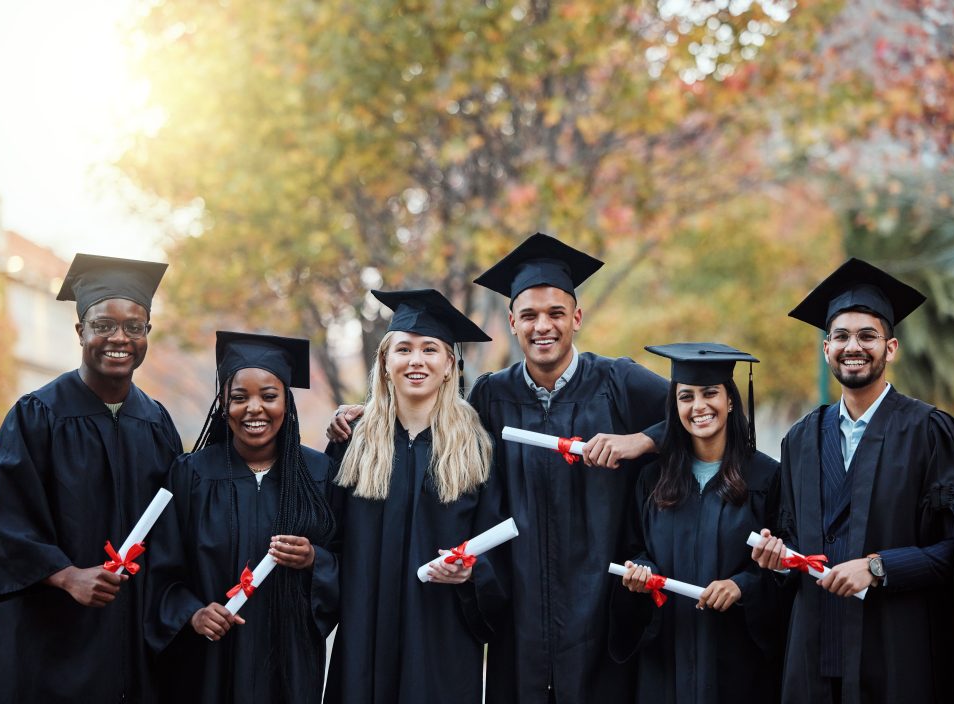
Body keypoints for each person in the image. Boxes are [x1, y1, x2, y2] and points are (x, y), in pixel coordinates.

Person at [327, 235, 669, 703]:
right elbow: (430, 422)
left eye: (555, 313)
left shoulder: (618, 382)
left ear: (577, 318)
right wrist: (365, 414)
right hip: (523, 604)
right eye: (528, 315)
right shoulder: (491, 396)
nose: (542, 326)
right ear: (512, 322)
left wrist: (640, 440)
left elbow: (703, 415)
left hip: (598, 591)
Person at [751, 258, 954, 703]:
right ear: (826, 348)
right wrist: (777, 554)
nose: (854, 347)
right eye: (841, 336)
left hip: (896, 657)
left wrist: (878, 567)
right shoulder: (801, 440)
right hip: (812, 659)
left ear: (891, 347)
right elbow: (791, 538)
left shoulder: (931, 434)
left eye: (867, 336)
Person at [0, 254, 181, 703]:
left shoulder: (156, 422)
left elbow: (177, 525)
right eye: (103, 325)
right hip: (52, 641)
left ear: (147, 333)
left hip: (133, 637)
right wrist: (67, 576)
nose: (119, 339)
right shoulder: (37, 416)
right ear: (81, 332)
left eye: (134, 327)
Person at [323, 289, 506, 704]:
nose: (416, 360)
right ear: (385, 365)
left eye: (430, 349)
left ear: (449, 366)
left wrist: (472, 574)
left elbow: (495, 551)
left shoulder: (477, 451)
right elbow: (328, 545)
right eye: (403, 349)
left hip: (440, 641)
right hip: (364, 639)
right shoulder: (352, 445)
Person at [145, 332, 338, 703]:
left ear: (287, 403)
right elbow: (162, 570)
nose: (254, 409)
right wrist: (194, 613)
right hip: (208, 663)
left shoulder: (318, 475)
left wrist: (315, 559)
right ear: (223, 403)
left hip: (289, 663)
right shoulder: (191, 475)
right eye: (239, 397)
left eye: (269, 396)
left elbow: (351, 563)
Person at [610, 343, 783, 704]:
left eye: (710, 393)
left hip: (738, 669)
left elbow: (783, 568)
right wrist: (641, 571)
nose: (699, 406)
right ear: (675, 407)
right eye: (686, 396)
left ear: (731, 400)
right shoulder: (652, 479)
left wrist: (742, 586)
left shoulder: (767, 478)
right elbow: (633, 548)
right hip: (665, 662)